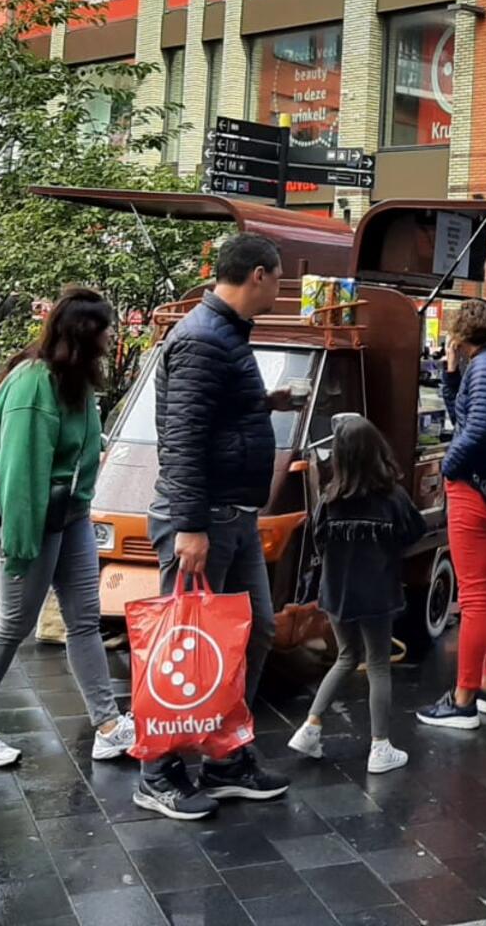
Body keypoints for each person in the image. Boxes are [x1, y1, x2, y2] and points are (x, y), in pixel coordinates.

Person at [137, 233, 296, 821]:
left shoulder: (223, 334)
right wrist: (190, 526)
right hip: (206, 520)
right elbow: (181, 440)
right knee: (183, 643)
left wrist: (262, 405)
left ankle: (226, 756)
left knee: (252, 633)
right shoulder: (205, 338)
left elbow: (212, 418)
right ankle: (158, 772)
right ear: (258, 275)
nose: (279, 291)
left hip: (235, 514)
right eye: (278, 279)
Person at [0, 288, 134, 769]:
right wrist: (20, 548)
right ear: (84, 333)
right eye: (106, 328)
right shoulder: (33, 386)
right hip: (32, 521)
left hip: (68, 517)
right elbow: (20, 476)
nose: (113, 336)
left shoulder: (72, 381)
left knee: (85, 620)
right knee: (13, 624)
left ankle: (109, 726)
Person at [418, 299, 486, 730]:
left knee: (475, 595)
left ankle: (462, 698)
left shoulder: (484, 368)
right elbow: (464, 415)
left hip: (475, 487)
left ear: (461, 336)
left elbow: (475, 427)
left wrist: (450, 466)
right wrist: (449, 374)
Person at [289, 416, 424, 772]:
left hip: (336, 594)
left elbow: (318, 541)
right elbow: (414, 533)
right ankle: (380, 747)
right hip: (378, 595)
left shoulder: (329, 499)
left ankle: (310, 727)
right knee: (378, 664)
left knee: (346, 657)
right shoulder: (392, 497)